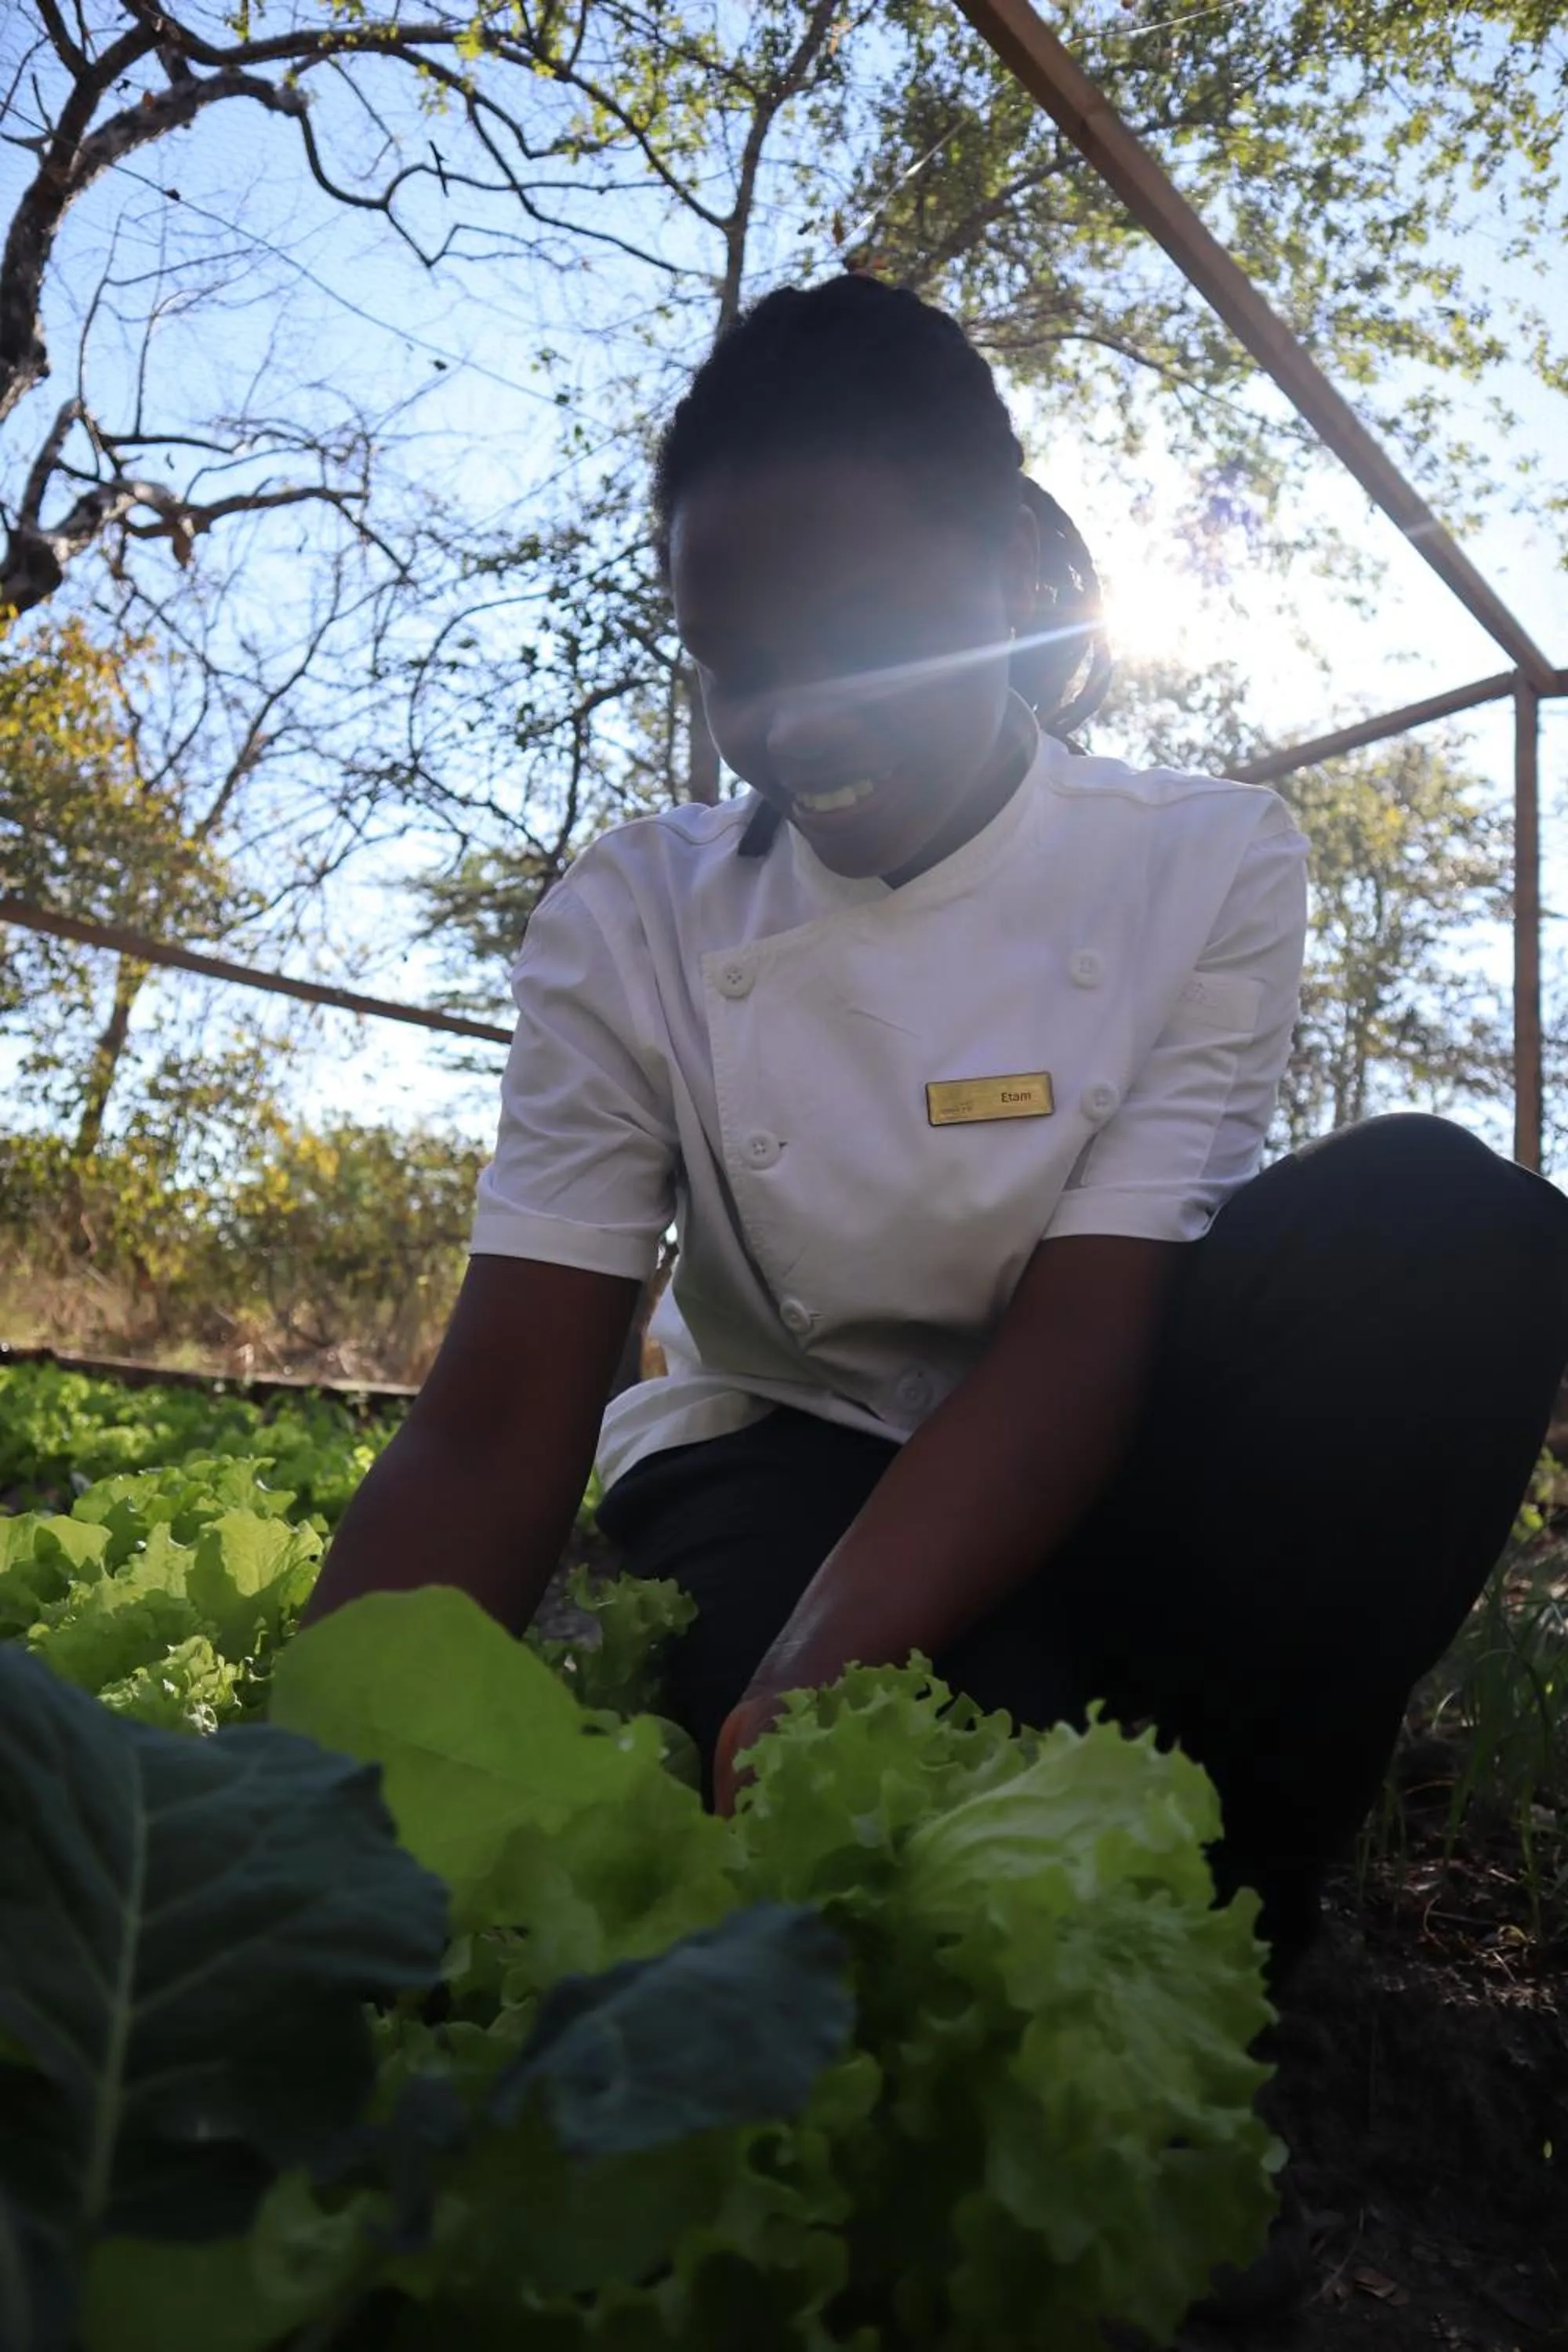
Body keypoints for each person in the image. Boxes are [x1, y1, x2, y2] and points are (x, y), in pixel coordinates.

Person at [307, 272, 1568, 2007]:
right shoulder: (635, 917)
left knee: (1445, 1230)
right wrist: (297, 1789)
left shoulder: (1204, 863)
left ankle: (1247, 1935)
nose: (792, 719)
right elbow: (501, 1412)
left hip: (1088, 1416)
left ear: (1003, 575)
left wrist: (841, 1652)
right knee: (899, 1866)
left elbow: (1085, 1327)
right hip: (773, 1437)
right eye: (735, 665)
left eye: (855, 632)